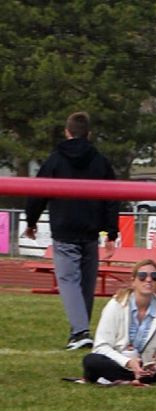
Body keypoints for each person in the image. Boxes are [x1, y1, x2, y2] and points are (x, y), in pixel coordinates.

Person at [24, 111, 120, 350]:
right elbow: (112, 198)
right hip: (90, 231)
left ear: (67, 132)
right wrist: (111, 232)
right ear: (89, 133)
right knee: (86, 283)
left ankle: (79, 332)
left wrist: (31, 221)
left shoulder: (55, 159)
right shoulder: (100, 160)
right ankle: (80, 331)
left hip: (65, 229)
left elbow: (38, 192)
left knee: (68, 281)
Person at [80, 261, 156, 386]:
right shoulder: (116, 305)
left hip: (149, 369)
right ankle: (137, 379)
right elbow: (101, 347)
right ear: (133, 281)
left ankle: (136, 379)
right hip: (119, 363)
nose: (148, 280)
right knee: (92, 361)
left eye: (154, 277)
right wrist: (128, 362)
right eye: (142, 276)